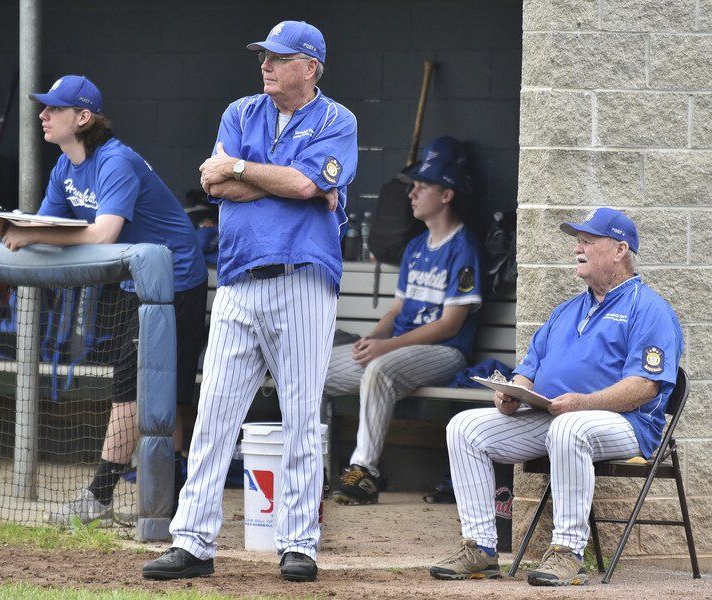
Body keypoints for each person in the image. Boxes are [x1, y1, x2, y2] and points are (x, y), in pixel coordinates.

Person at [142, 21, 357, 582]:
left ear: (309, 67)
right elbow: (216, 185)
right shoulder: (240, 112)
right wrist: (274, 180)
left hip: (302, 279)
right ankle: (192, 542)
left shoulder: (337, 119)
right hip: (238, 279)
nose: (265, 63)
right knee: (213, 412)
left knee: (302, 414)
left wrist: (245, 170)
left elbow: (311, 187)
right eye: (263, 54)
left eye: (279, 56)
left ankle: (298, 544)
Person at [0, 74, 208, 525]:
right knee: (144, 393)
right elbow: (45, 230)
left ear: (82, 118)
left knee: (156, 396)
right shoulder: (65, 167)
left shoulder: (115, 161)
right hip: (131, 283)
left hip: (175, 283)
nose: (42, 115)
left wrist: (27, 232)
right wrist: (8, 227)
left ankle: (112, 499)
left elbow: (103, 234)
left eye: (54, 109)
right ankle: (169, 503)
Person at [429, 208, 684, 586]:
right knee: (464, 427)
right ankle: (481, 548)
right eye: (577, 241)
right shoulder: (566, 310)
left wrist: (583, 402)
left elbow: (644, 387)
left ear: (619, 250)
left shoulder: (649, 309)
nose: (577, 248)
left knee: (569, 427)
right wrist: (512, 394)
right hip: (554, 416)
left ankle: (568, 553)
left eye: (588, 241)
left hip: (630, 425)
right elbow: (528, 371)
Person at [324, 136, 483, 505]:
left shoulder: (464, 247)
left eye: (422, 187)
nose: (412, 194)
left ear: (447, 195)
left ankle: (364, 471)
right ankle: (316, 470)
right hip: (397, 351)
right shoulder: (415, 247)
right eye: (413, 186)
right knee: (313, 373)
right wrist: (370, 340)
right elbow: (396, 312)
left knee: (380, 368)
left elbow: (451, 324)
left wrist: (385, 347)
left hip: (444, 352)